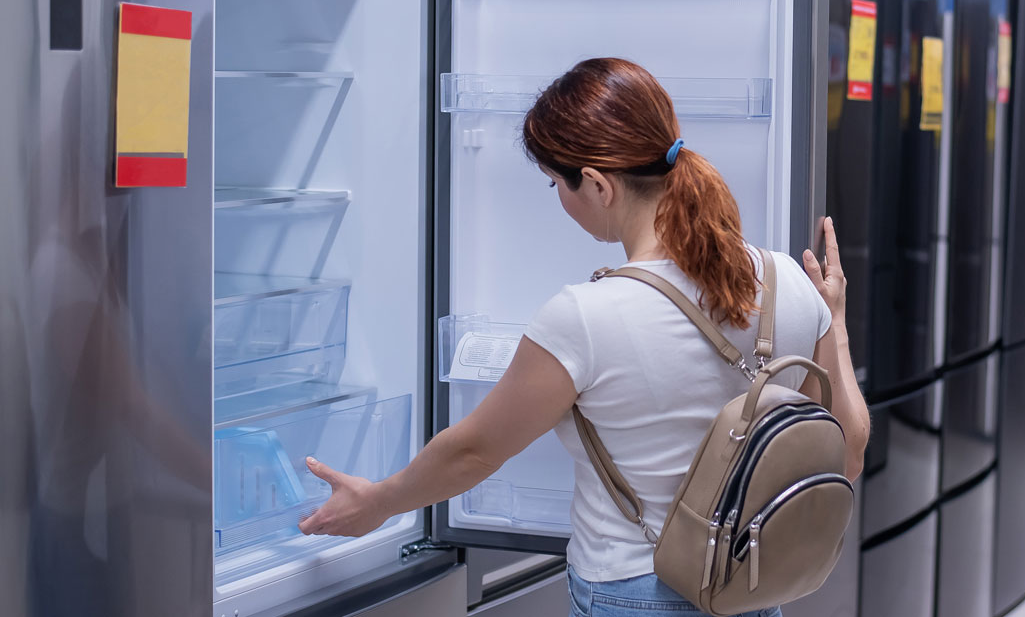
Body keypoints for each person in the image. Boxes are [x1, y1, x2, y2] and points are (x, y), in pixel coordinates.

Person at [299, 58, 870, 617]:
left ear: (596, 184)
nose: (561, 201)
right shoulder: (788, 281)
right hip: (746, 587)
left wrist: (379, 503)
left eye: (556, 185)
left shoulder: (584, 318)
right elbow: (846, 453)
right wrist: (834, 321)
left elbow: (474, 451)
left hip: (634, 591)